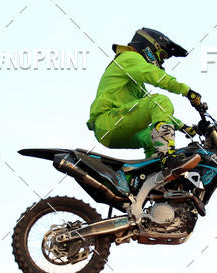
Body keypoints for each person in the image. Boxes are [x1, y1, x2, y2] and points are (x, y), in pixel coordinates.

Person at [86, 27, 202, 175]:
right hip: (108, 121)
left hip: (111, 128)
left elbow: (155, 108)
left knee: (151, 136)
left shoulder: (135, 79)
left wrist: (182, 126)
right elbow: (154, 75)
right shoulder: (129, 57)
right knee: (161, 100)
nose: (161, 61)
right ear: (150, 47)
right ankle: (168, 158)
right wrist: (187, 91)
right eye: (162, 55)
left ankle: (152, 176)